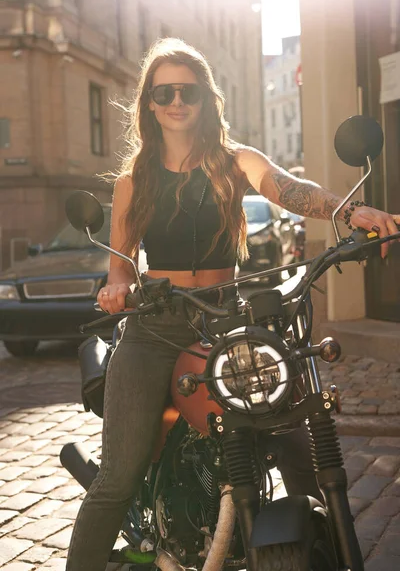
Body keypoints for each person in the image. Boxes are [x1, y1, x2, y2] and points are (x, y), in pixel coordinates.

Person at [66, 38, 400, 570]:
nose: (177, 101)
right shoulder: (134, 180)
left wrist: (347, 210)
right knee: (118, 475)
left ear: (206, 99)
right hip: (155, 325)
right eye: (165, 92)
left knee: (291, 435)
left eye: (188, 91)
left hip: (225, 319)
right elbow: (121, 264)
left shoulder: (232, 161)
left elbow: (288, 188)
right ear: (149, 104)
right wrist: (115, 290)